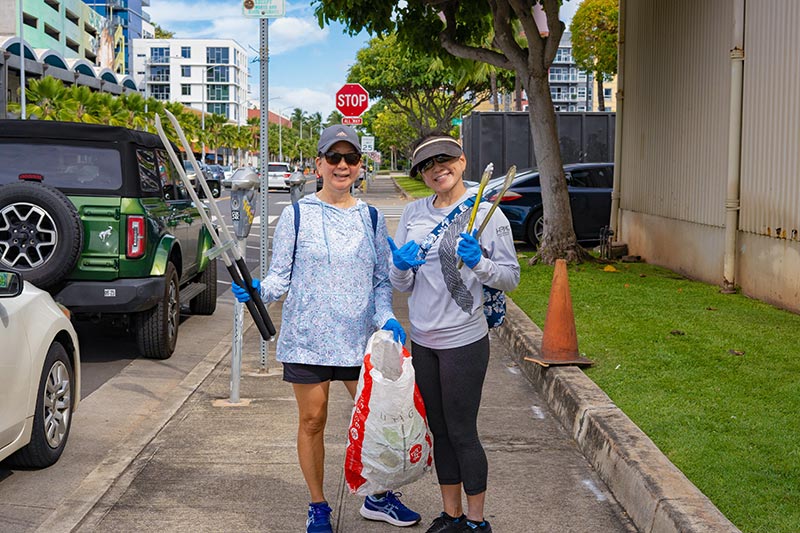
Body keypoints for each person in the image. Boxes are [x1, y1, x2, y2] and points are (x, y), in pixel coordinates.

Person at [231, 125, 420, 533]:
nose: (342, 165)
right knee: (313, 421)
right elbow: (280, 276)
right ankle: (318, 505)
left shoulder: (371, 218)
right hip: (307, 341)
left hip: (358, 341)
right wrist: (259, 289)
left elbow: (380, 280)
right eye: (333, 157)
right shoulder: (296, 215)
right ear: (318, 165)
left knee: (378, 422)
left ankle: (378, 495)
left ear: (360, 166)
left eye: (350, 158)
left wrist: (386, 316)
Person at [388, 133, 520, 533]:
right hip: (423, 340)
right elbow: (402, 284)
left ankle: (477, 522)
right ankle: (452, 515)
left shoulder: (487, 214)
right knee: (439, 432)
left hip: (464, 340)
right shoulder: (413, 214)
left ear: (462, 162)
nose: (437, 169)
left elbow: (510, 277)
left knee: (463, 432)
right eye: (427, 165)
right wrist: (400, 266)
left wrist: (479, 263)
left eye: (444, 159)